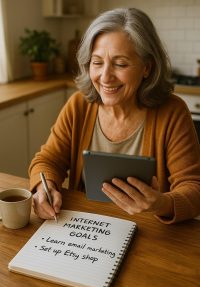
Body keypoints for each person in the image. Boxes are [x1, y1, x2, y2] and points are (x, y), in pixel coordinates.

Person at [29, 7, 200, 224]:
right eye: (97, 62)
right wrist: (45, 188)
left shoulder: (172, 112)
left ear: (146, 67)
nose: (105, 77)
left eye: (120, 64)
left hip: (149, 233)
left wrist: (161, 203)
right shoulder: (79, 105)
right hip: (85, 227)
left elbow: (194, 188)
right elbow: (47, 160)